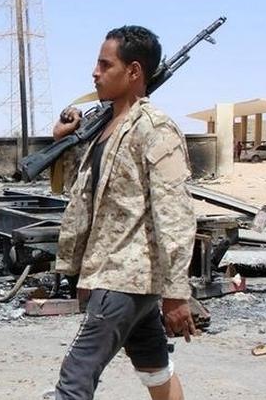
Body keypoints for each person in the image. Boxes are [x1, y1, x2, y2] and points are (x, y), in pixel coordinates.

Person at [51, 25, 197, 400]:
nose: (94, 73)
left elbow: (175, 213)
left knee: (75, 379)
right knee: (155, 370)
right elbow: (83, 196)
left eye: (105, 64)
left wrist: (177, 294)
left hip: (125, 279)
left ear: (133, 72)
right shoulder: (106, 128)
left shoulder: (155, 128)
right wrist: (64, 140)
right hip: (120, 276)